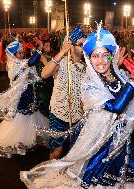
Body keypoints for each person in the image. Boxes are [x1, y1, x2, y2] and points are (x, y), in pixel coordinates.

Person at [20, 23, 134, 189]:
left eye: (105, 55)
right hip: (98, 144)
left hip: (120, 143)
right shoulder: (89, 84)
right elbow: (115, 107)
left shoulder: (121, 76)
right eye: (95, 56)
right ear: (89, 57)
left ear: (111, 55)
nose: (100, 61)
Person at [0, 39, 49, 158]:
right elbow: (32, 62)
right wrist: (39, 49)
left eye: (22, 52)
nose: (22, 54)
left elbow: (31, 64)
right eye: (19, 53)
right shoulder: (14, 65)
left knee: (31, 115)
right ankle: (21, 141)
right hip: (21, 96)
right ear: (13, 55)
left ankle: (31, 139)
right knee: (22, 117)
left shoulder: (20, 62)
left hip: (29, 93)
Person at [40, 26, 87, 159]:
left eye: (85, 45)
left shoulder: (85, 67)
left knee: (76, 153)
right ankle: (51, 176)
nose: (84, 48)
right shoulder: (61, 62)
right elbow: (44, 74)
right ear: (71, 46)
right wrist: (61, 52)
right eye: (81, 45)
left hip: (78, 116)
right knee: (57, 152)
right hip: (59, 114)